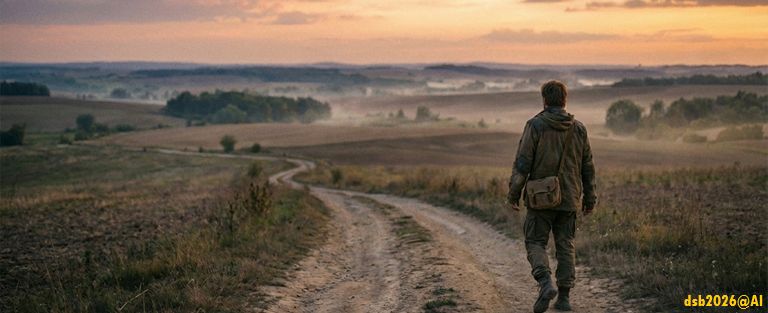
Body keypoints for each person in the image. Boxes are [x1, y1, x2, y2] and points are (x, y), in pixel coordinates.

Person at [507, 80, 597, 313]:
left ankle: (545, 282)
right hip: (569, 198)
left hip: (540, 199)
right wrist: (590, 198)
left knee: (535, 241)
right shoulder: (579, 128)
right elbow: (587, 166)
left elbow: (522, 163)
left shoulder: (535, 125)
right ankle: (564, 297)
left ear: (544, 100)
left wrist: (513, 194)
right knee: (566, 244)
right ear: (565, 100)